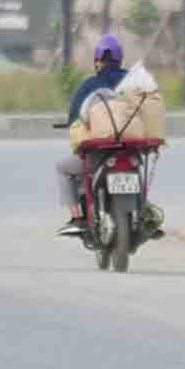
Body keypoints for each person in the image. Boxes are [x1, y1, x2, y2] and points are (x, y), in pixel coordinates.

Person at [55, 33, 132, 236]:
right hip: (132, 152)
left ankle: (77, 218)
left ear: (98, 60)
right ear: (120, 58)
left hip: (97, 156)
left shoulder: (89, 85)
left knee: (63, 168)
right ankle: (143, 212)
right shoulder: (134, 81)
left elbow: (75, 118)